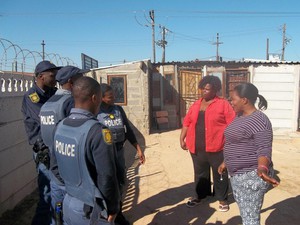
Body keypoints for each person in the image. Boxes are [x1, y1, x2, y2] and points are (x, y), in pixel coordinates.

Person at [53, 76, 120, 225]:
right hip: (89, 210)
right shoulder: (98, 132)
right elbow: (107, 176)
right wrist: (113, 207)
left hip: (68, 202)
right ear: (95, 98)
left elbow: (54, 166)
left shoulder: (60, 126)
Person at [218, 83, 279, 225]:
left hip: (251, 175)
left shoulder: (259, 120)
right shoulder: (240, 116)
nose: (230, 102)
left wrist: (263, 168)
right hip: (238, 175)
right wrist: (226, 161)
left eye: (233, 99)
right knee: (246, 213)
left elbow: (264, 148)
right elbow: (236, 142)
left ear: (244, 100)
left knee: (250, 218)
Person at [179, 75, 235, 211]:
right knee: (200, 174)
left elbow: (232, 124)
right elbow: (187, 122)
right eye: (202, 89)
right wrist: (182, 137)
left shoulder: (223, 104)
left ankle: (222, 199)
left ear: (215, 90)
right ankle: (200, 196)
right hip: (196, 148)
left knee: (219, 173)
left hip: (217, 147)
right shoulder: (196, 104)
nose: (203, 91)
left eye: (207, 89)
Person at [40, 65, 84, 223]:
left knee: (57, 214)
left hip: (55, 169)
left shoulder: (49, 103)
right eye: (81, 79)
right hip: (70, 173)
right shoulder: (70, 103)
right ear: (72, 82)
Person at [97, 83, 145, 225]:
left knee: (120, 183)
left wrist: (138, 148)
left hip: (118, 153)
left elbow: (128, 130)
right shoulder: (96, 112)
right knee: (105, 184)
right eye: (110, 97)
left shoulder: (118, 109)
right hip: (103, 155)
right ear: (101, 98)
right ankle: (105, 216)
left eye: (113, 96)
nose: (113, 99)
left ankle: (118, 214)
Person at [21, 60, 61, 225]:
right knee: (46, 195)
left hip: (55, 148)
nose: (55, 78)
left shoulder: (53, 92)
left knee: (57, 193)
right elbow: (48, 120)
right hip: (44, 150)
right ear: (40, 76)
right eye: (52, 75)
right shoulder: (32, 97)